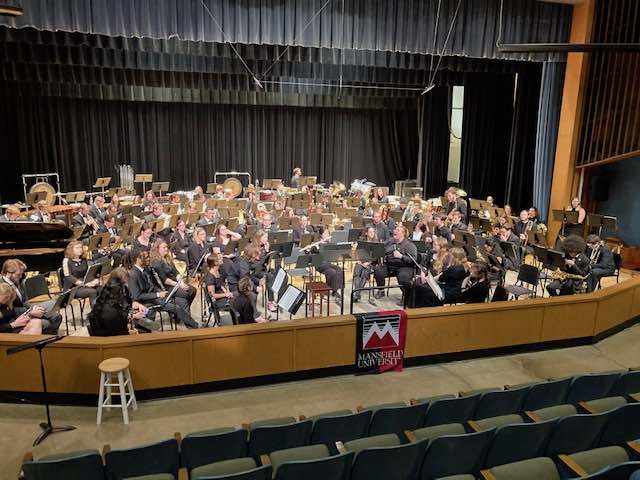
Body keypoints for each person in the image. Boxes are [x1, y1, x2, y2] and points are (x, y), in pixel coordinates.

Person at [127, 249, 199, 329]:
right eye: (146, 257)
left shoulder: (146, 269)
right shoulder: (133, 275)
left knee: (182, 300)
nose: (149, 259)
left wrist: (161, 292)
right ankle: (195, 327)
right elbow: (137, 296)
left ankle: (190, 326)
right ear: (138, 259)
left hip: (156, 296)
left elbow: (152, 285)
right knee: (177, 307)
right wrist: (158, 294)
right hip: (148, 301)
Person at [0, 259, 62, 334]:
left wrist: (33, 307)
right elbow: (10, 311)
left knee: (54, 305)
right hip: (17, 315)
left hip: (24, 309)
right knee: (54, 317)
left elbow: (24, 301)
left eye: (21, 274)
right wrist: (30, 312)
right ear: (8, 273)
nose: (20, 277)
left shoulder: (16, 281)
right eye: (18, 275)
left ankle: (50, 335)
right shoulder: (3, 287)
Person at [88, 268, 148, 336]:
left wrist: (138, 305)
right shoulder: (109, 307)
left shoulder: (117, 290)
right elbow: (113, 331)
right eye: (125, 282)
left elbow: (127, 302)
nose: (127, 284)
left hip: (118, 328)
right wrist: (130, 330)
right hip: (110, 339)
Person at [374, 225, 417, 303]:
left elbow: (413, 260)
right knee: (378, 270)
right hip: (390, 265)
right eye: (395, 230)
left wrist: (401, 256)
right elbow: (380, 246)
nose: (395, 231)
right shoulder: (390, 241)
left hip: (404, 266)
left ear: (403, 234)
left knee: (403, 277)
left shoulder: (409, 245)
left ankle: (406, 296)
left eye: (398, 230)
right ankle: (381, 290)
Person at [150, 240, 196, 310]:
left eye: (166, 247)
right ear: (157, 249)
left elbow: (176, 272)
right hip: (167, 287)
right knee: (187, 293)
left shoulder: (167, 258)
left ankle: (182, 312)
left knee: (192, 290)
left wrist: (181, 282)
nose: (166, 249)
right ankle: (181, 311)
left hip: (175, 283)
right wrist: (178, 285)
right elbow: (165, 280)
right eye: (164, 247)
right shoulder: (156, 263)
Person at [62, 240, 99, 307]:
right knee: (92, 292)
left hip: (85, 284)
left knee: (102, 288)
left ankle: (103, 312)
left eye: (81, 247)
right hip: (73, 288)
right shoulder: (66, 260)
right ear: (71, 250)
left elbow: (89, 273)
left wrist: (94, 280)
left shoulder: (84, 260)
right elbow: (68, 276)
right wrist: (84, 284)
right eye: (77, 248)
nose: (80, 249)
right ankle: (94, 315)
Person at [352, 227, 379, 302]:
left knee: (364, 273)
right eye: (370, 232)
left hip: (371, 263)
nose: (372, 233)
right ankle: (357, 293)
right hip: (361, 262)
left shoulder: (376, 243)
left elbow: (377, 257)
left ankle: (357, 293)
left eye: (373, 232)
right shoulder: (361, 242)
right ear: (366, 233)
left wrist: (368, 263)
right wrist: (359, 261)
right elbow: (356, 253)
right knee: (357, 271)